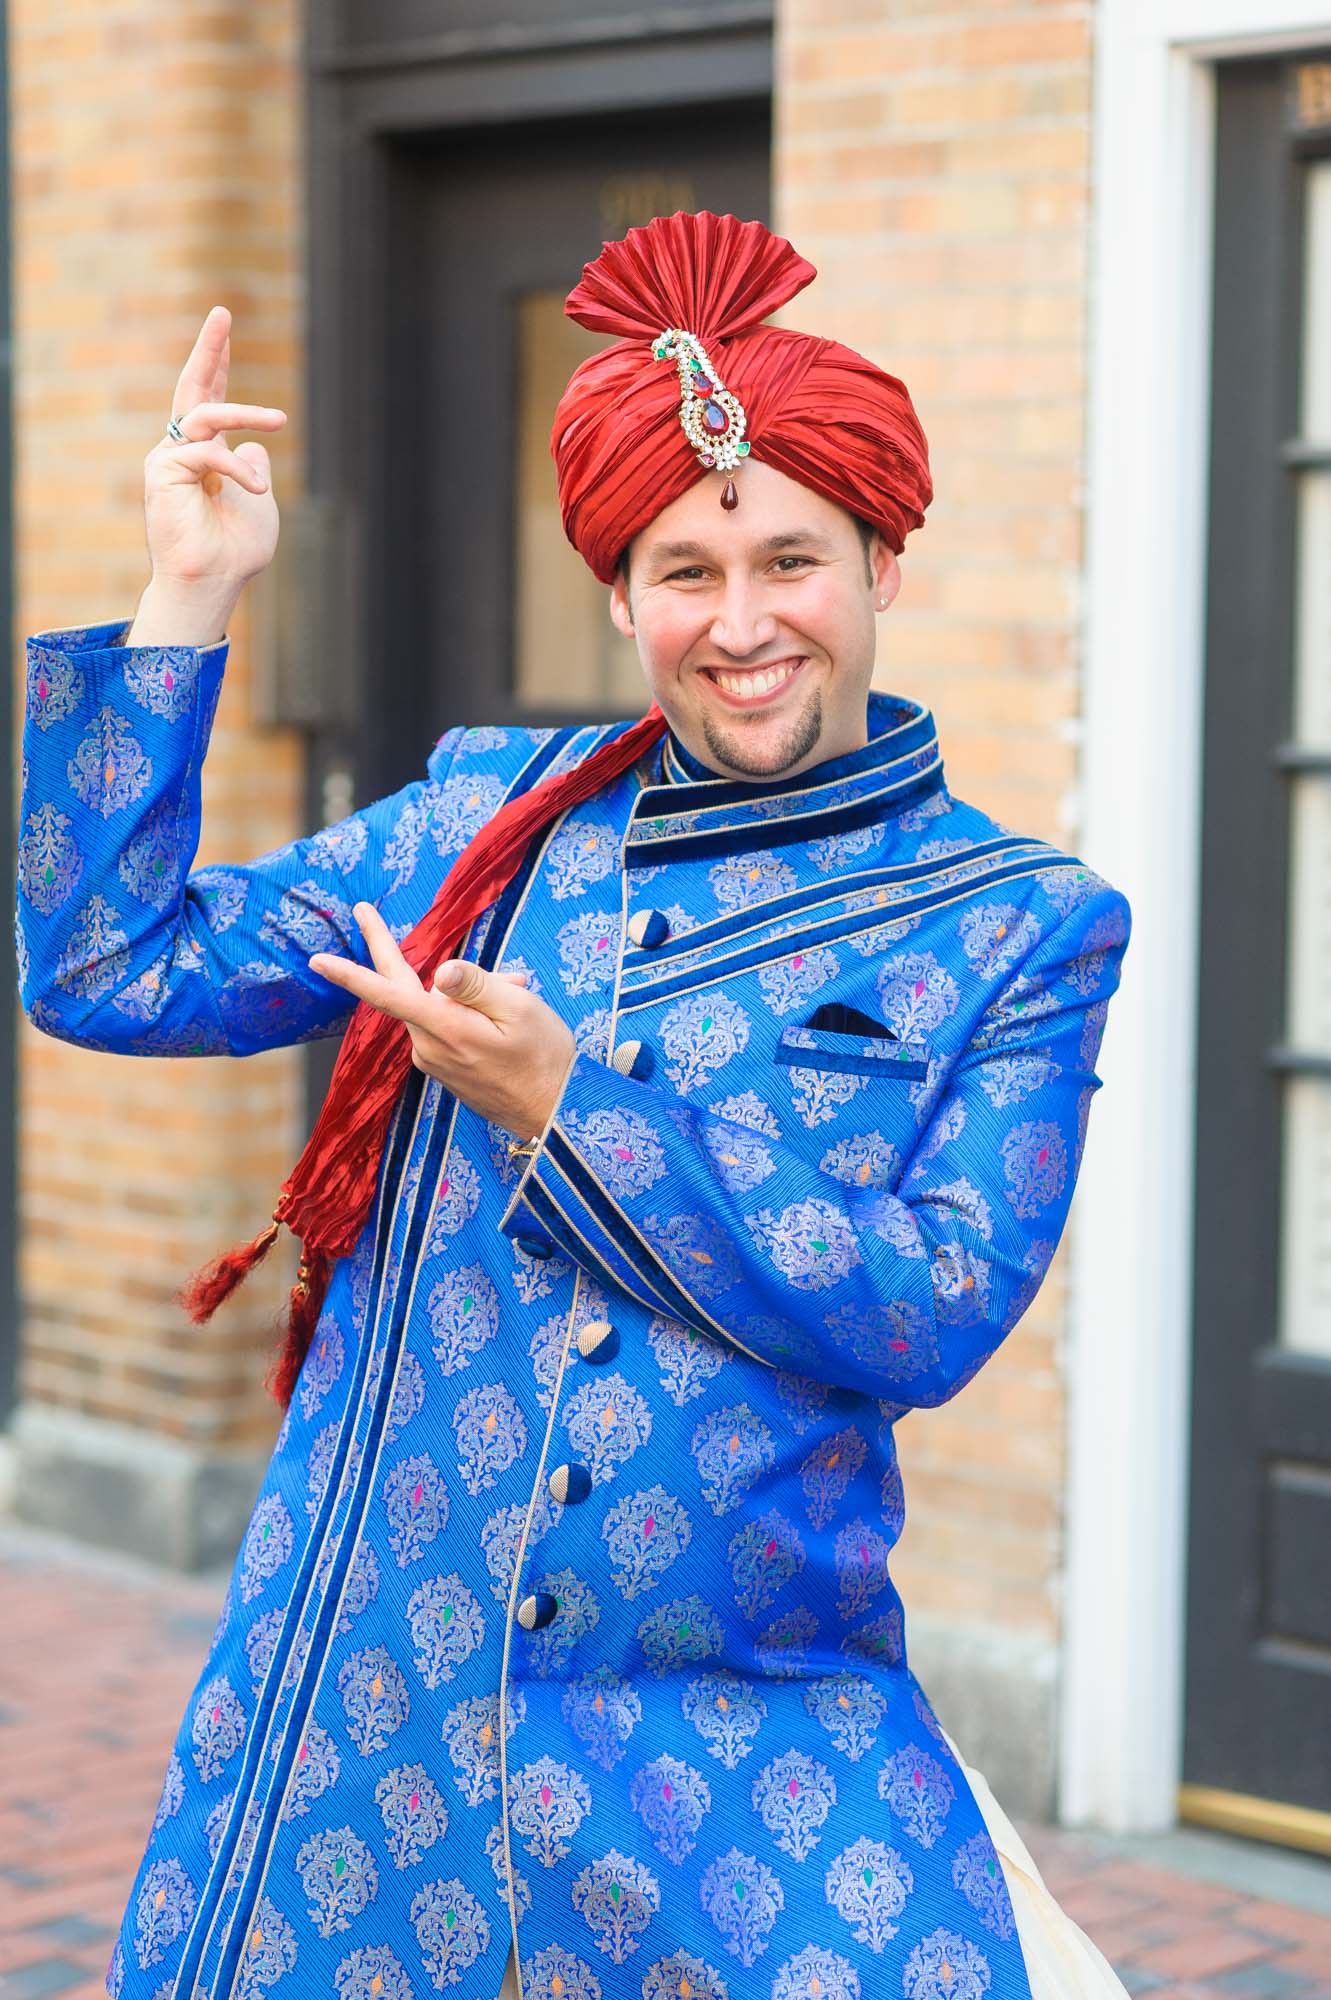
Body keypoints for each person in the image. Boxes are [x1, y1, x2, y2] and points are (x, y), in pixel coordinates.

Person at [16, 212, 1131, 2000]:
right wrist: (189, 594)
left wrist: (566, 1106)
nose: (745, 623)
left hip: (749, 1741)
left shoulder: (1016, 927)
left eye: (793, 560)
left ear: (883, 563)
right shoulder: (489, 822)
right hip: (370, 1715)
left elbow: (927, 1311)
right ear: (618, 596)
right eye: (685, 571)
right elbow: (108, 968)